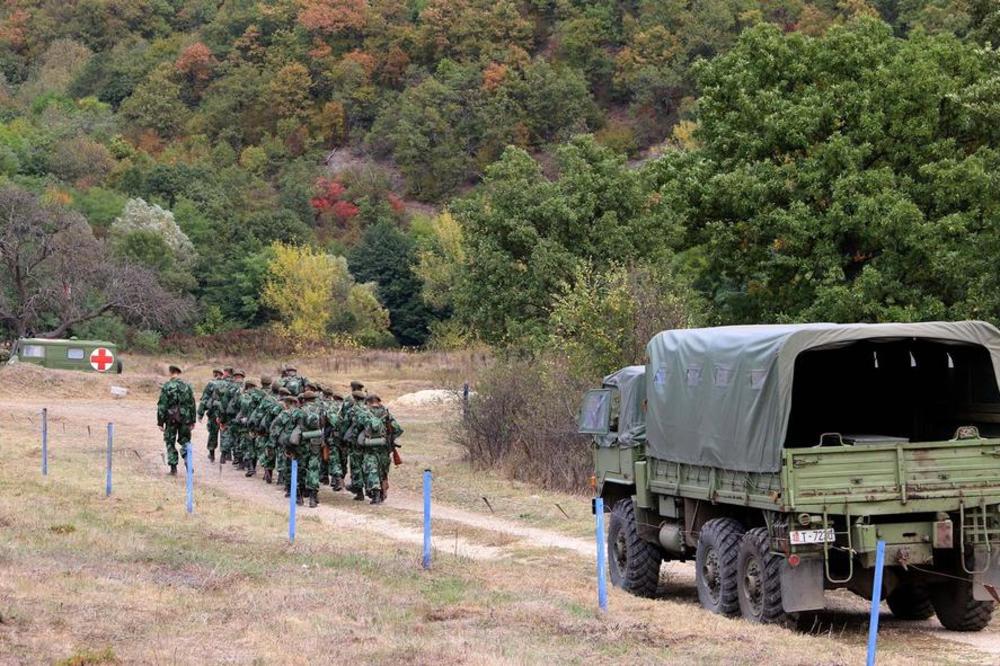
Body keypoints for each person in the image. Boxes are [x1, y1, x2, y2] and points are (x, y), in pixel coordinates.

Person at [358, 394, 402, 504]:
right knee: (383, 471)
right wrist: (389, 438)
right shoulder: (386, 414)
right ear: (379, 402)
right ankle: (382, 493)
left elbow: (356, 429)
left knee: (372, 470)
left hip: (369, 447)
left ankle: (376, 496)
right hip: (384, 448)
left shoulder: (364, 414)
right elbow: (398, 429)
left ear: (368, 402)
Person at [156, 365, 197, 476]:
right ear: (179, 373)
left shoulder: (167, 386)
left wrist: (160, 422)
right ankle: (188, 461)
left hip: (171, 418)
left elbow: (162, 405)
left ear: (171, 372)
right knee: (185, 441)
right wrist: (193, 420)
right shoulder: (187, 386)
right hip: (185, 418)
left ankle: (173, 468)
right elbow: (192, 404)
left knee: (170, 442)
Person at [219, 369, 246, 465]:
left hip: (231, 415)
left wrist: (222, 419)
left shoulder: (229, 387)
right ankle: (238, 458)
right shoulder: (246, 388)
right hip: (242, 416)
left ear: (234, 377)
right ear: (243, 377)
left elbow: (224, 404)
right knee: (241, 436)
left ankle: (223, 454)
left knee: (229, 434)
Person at [197, 368, 224, 462]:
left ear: (215, 374)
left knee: (213, 433)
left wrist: (200, 413)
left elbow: (204, 399)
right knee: (225, 433)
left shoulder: (211, 384)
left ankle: (212, 454)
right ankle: (224, 456)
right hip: (225, 413)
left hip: (213, 412)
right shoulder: (227, 384)